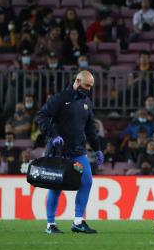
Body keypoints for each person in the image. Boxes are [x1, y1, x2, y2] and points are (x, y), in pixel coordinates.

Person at [35, 71, 105, 235]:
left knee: (87, 181)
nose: (88, 89)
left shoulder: (87, 102)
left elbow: (90, 129)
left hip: (78, 150)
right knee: (56, 187)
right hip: (58, 150)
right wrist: (53, 135)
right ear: (77, 80)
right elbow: (41, 116)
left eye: (91, 86)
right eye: (87, 85)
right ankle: (50, 224)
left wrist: (97, 148)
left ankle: (78, 222)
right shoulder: (59, 98)